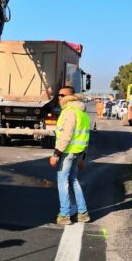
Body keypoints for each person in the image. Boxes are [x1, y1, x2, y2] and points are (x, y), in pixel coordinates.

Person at [49, 86, 90, 225]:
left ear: (69, 97)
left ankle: (65, 215)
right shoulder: (82, 111)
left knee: (63, 181)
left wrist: (56, 154)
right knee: (73, 180)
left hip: (68, 152)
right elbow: (86, 136)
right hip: (78, 152)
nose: (59, 97)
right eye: (58, 95)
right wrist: (83, 157)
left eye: (62, 95)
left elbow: (66, 135)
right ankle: (83, 213)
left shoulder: (70, 112)